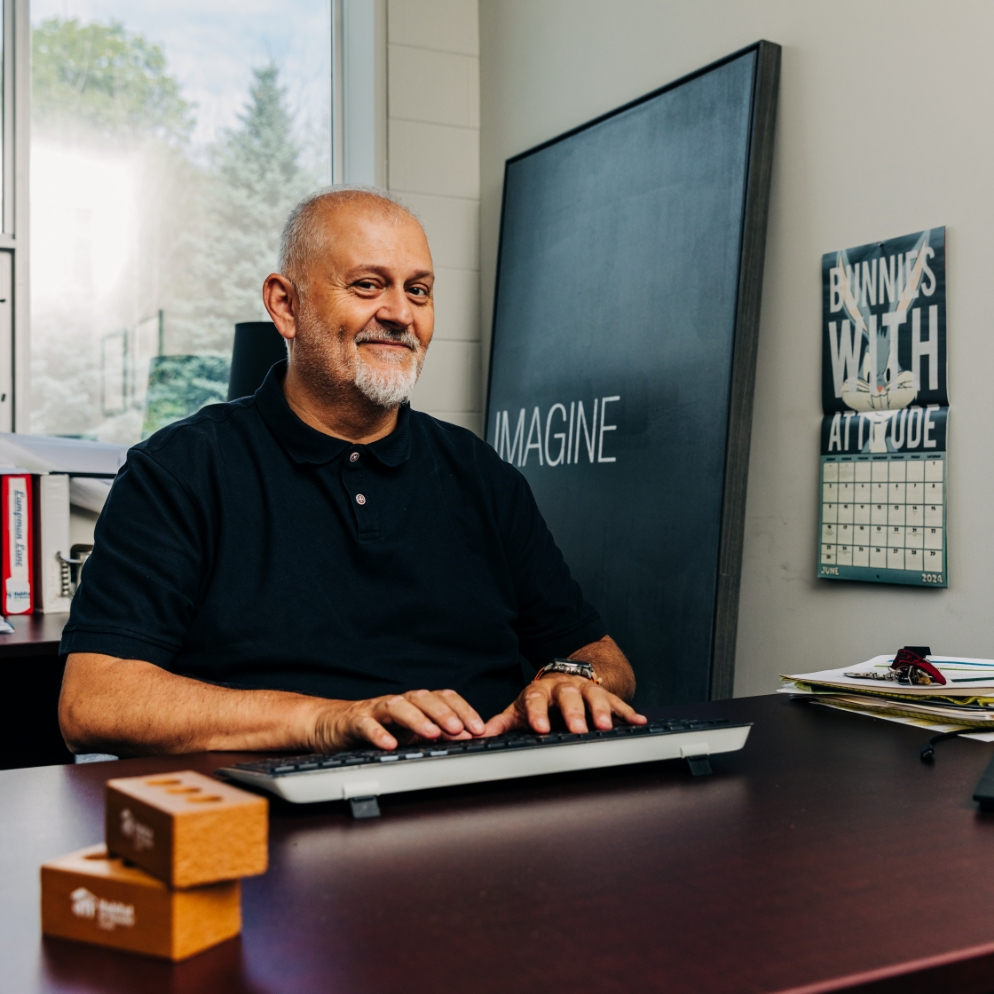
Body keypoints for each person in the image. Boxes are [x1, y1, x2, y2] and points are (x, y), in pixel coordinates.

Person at [58, 187, 644, 757]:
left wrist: (569, 679)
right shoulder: (179, 470)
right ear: (285, 305)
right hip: (274, 814)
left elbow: (602, 655)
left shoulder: (479, 473)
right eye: (368, 285)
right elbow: (95, 702)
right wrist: (326, 721)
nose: (398, 314)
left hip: (481, 799)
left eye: (419, 291)